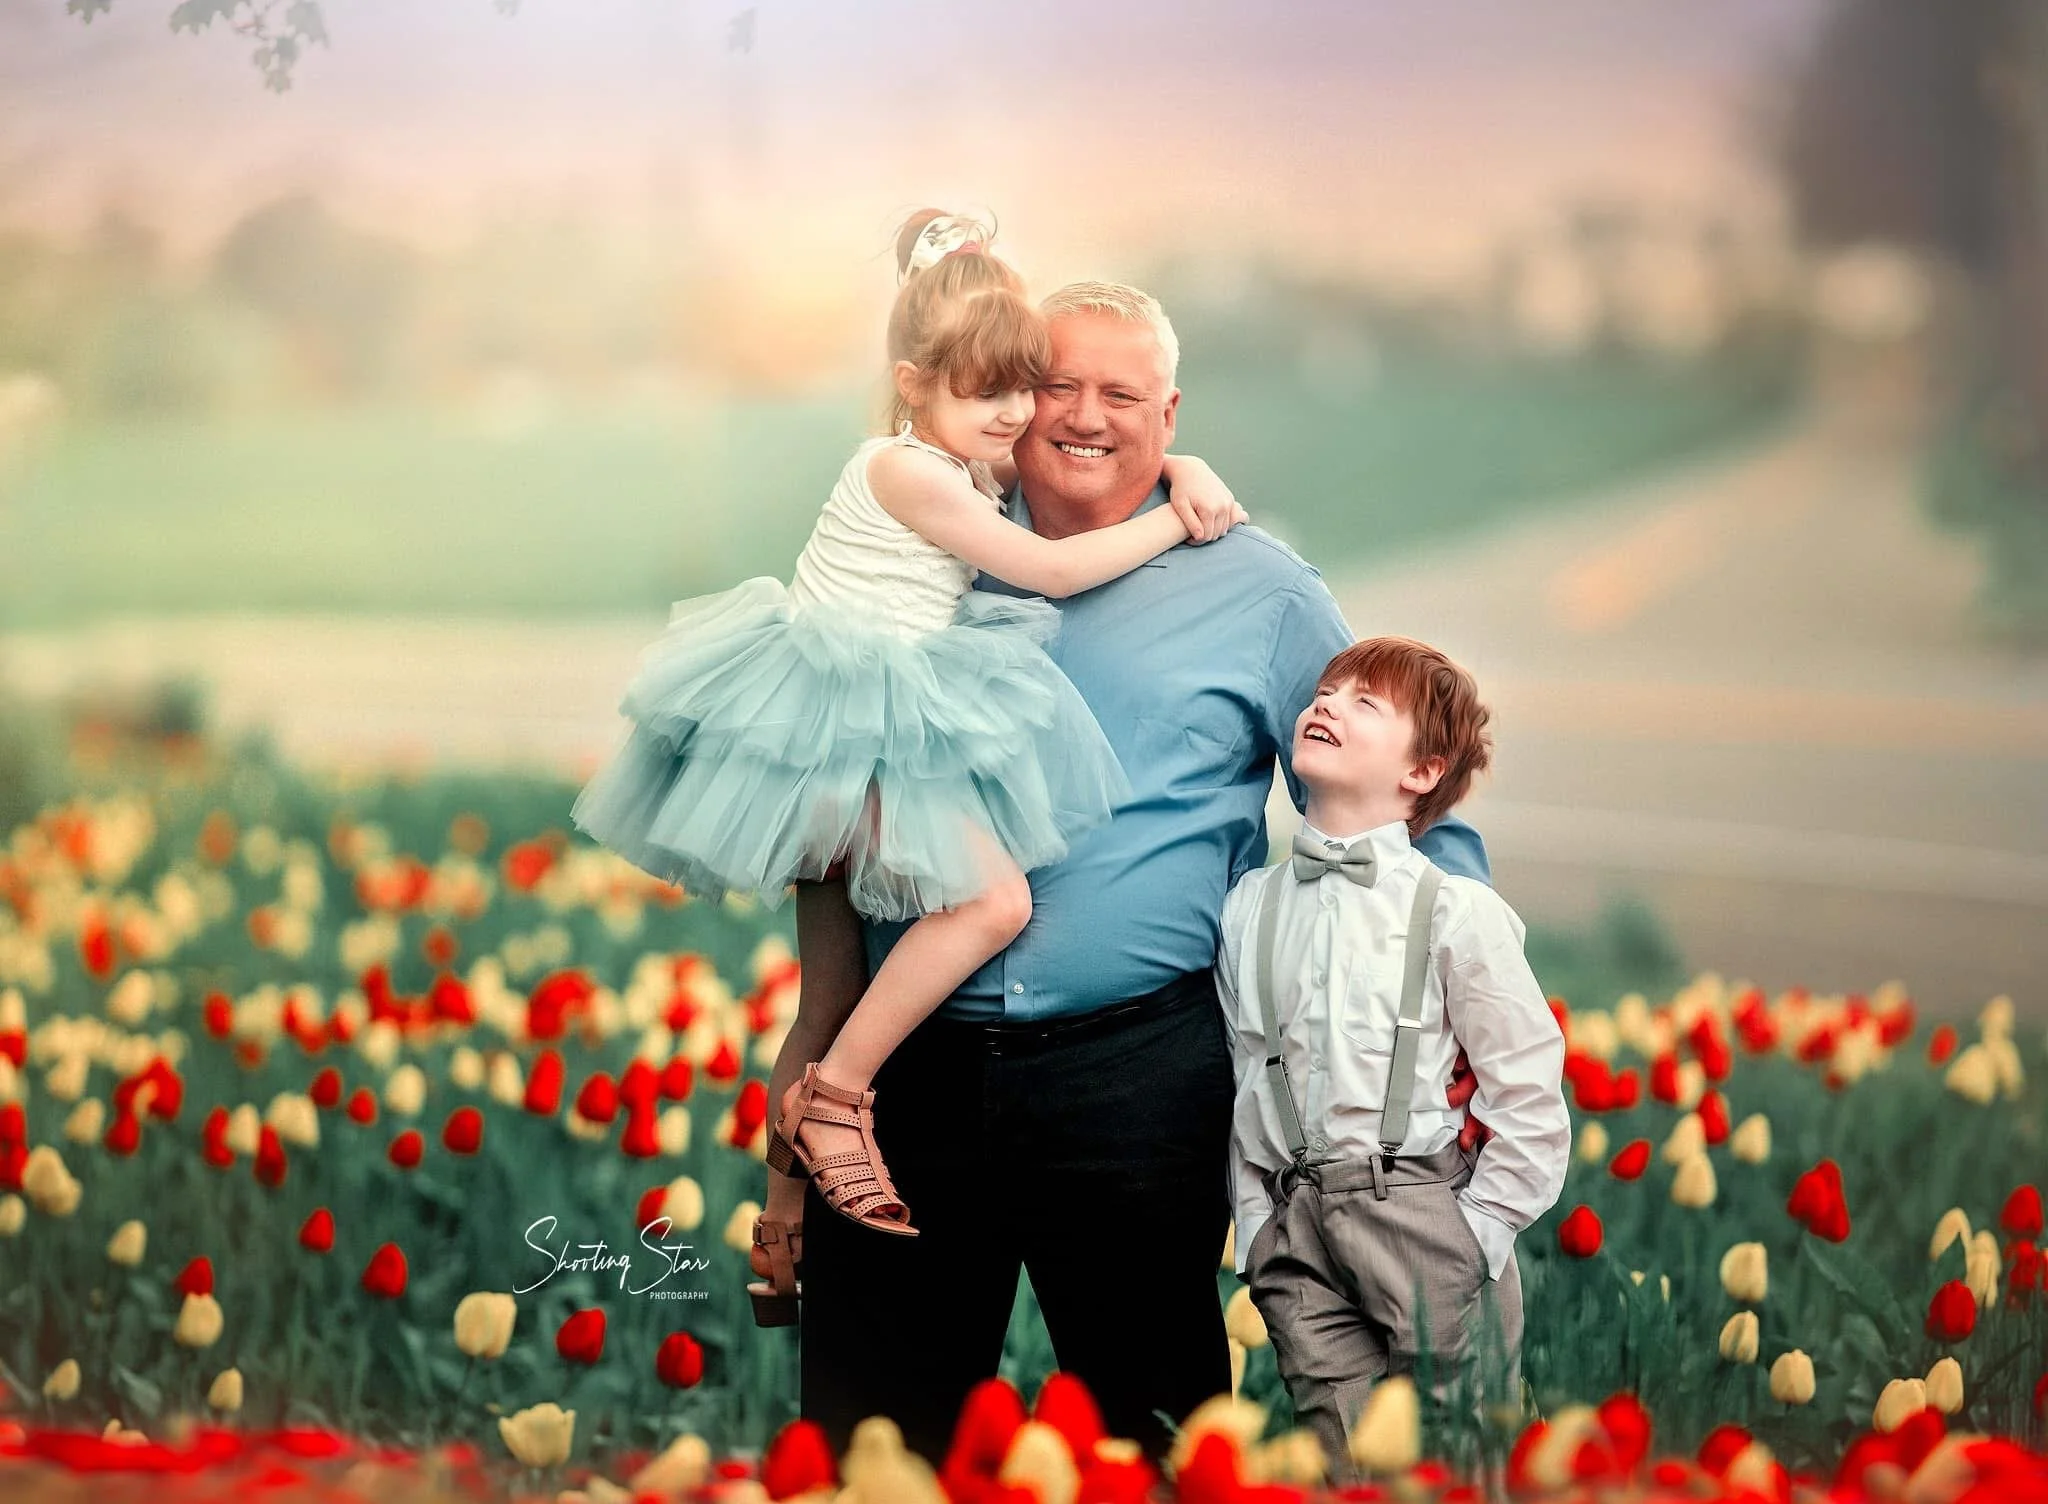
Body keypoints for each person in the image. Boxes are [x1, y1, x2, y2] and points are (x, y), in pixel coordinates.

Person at [785, 280, 1495, 1464]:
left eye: (1119, 393)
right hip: (903, 1069)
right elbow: (826, 747)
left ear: (1168, 415)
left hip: (1135, 1079)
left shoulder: (1261, 591)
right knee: (875, 1442)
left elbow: (1394, 768)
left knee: (1151, 1432)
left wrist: (1462, 963)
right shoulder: (934, 535)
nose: (1079, 415)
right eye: (1052, 384)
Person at [570, 210, 1245, 1320]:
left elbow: (1083, 457)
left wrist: (1176, 456)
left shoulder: (952, 456)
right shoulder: (905, 470)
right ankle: (835, 1101)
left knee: (831, 988)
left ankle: (782, 1220)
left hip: (823, 733)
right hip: (844, 726)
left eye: (1022, 391)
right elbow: (1052, 569)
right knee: (991, 902)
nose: (1017, 418)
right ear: (909, 383)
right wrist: (1180, 513)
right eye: (990, 397)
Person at [1218, 636, 1570, 1483]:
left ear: (1422, 771)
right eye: (1325, 692)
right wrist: (1258, 1228)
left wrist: (1479, 1233)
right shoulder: (1248, 905)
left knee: (1453, 1467)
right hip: (1296, 1224)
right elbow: (1246, 1077)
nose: (1326, 704)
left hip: (1423, 1211)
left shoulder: (1454, 911)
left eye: (1363, 702)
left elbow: (1527, 1084)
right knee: (1344, 1465)